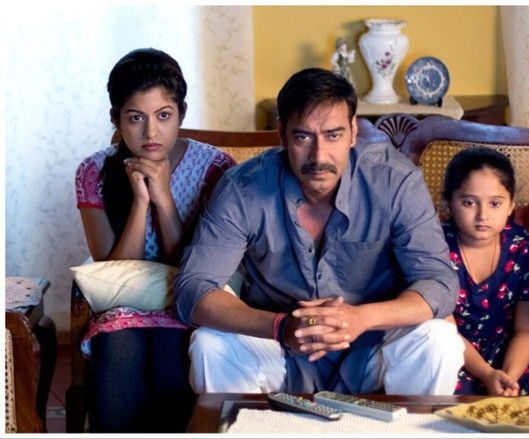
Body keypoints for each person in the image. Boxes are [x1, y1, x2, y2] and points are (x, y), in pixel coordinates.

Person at [174, 68, 463, 395]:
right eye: (303, 137)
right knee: (210, 344)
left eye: (333, 135)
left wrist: (361, 318)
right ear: (282, 134)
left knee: (439, 340)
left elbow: (439, 283)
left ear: (353, 132)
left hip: (373, 348)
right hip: (278, 349)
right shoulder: (242, 188)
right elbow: (193, 288)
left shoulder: (395, 181)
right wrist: (281, 326)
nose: (319, 156)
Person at [75, 48, 236, 431]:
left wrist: (163, 197)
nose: (151, 133)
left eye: (163, 115)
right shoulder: (94, 171)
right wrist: (140, 201)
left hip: (189, 296)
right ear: (116, 118)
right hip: (124, 302)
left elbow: (193, 266)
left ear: (181, 112)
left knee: (170, 347)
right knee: (118, 340)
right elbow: (113, 273)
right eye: (136, 118)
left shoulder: (215, 167)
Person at [440, 148, 529, 396]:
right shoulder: (435, 247)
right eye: (469, 202)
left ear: (510, 205)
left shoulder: (524, 247)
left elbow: (528, 329)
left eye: (495, 203)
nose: (483, 215)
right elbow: (443, 330)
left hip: (512, 353)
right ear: (448, 203)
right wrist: (486, 374)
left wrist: (508, 379)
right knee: (453, 398)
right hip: (454, 352)